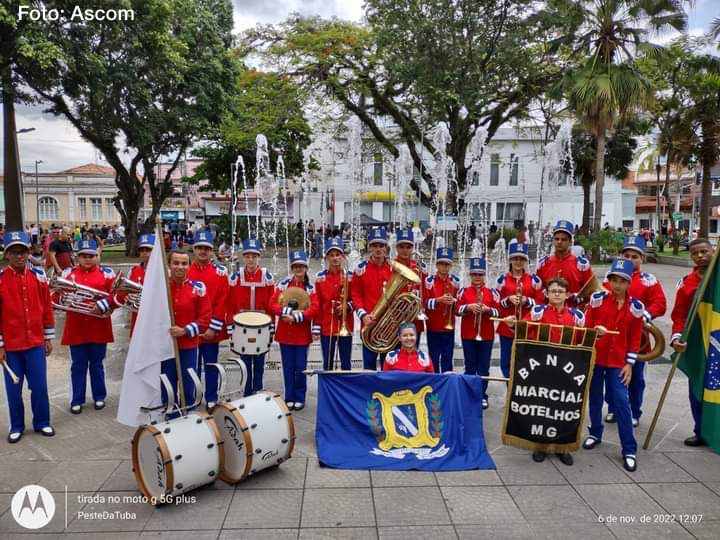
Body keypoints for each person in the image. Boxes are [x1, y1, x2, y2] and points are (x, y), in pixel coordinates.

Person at [505, 277, 585, 465]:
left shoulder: (577, 316)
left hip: (567, 371)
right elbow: (524, 331)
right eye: (553, 291)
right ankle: (540, 445)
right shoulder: (537, 312)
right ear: (547, 294)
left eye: (560, 291)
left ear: (567, 295)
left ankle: (562, 447)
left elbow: (583, 342)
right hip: (542, 368)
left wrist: (597, 334)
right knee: (542, 408)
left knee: (563, 409)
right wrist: (512, 324)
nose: (556, 294)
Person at [583, 258, 644, 472]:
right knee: (595, 398)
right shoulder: (597, 300)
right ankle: (595, 432)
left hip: (618, 362)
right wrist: (595, 333)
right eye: (614, 280)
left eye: (622, 281)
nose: (617, 285)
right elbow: (586, 329)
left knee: (621, 402)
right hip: (596, 359)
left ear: (629, 283)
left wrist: (629, 364)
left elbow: (635, 339)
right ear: (608, 281)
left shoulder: (636, 308)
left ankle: (629, 449)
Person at [604, 236, 666, 427]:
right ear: (620, 256)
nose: (630, 259)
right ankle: (614, 409)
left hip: (638, 340)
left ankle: (634, 411)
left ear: (642, 259)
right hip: (613, 339)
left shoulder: (649, 280)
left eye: (635, 256)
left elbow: (660, 303)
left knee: (636, 379)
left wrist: (645, 315)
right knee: (612, 376)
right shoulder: (610, 277)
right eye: (626, 255)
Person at [0, 231, 56, 443]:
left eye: (22, 251)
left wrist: (47, 337)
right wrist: (0, 345)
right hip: (11, 347)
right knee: (13, 389)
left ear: (28, 252)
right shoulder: (1, 280)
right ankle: (16, 425)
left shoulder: (38, 277)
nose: (19, 256)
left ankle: (42, 422)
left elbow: (46, 308)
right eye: (14, 252)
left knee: (39, 386)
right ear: (6, 254)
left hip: (35, 343)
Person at [56, 239, 118, 414]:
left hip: (98, 326)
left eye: (91, 256)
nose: (87, 259)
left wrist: (105, 304)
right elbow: (54, 296)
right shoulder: (68, 274)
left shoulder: (107, 274)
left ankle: (99, 396)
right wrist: (63, 299)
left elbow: (117, 295)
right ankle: (77, 399)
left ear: (97, 256)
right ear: (77, 257)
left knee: (97, 364)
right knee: (78, 365)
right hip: (76, 328)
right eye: (83, 256)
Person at [670, 238, 715, 446]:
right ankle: (701, 431)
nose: (700, 256)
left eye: (704, 251)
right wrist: (677, 338)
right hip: (698, 344)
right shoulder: (687, 282)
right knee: (697, 388)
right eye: (695, 253)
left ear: (712, 251)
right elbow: (679, 315)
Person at [269, 250, 319, 410]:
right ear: (292, 268)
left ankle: (300, 396)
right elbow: (272, 304)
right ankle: (289, 396)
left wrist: (297, 317)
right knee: (288, 366)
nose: (298, 269)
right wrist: (286, 312)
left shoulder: (311, 288)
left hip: (302, 334)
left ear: (306, 268)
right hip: (285, 333)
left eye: (301, 266)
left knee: (300, 367)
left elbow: (315, 308)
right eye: (296, 266)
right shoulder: (283, 285)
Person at [226, 239, 275, 395]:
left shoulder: (267, 277)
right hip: (242, 327)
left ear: (259, 257)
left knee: (260, 362)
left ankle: (258, 390)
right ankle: (246, 392)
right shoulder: (235, 277)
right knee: (245, 362)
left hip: (262, 326)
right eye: (248, 256)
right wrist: (230, 326)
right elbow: (230, 304)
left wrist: (271, 326)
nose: (251, 260)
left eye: (254, 256)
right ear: (243, 257)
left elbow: (272, 303)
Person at [165, 250, 211, 412]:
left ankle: (188, 414)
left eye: (184, 263)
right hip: (165, 346)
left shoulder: (198, 288)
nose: (180, 267)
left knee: (188, 383)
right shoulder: (161, 288)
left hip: (188, 346)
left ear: (189, 266)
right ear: (169, 265)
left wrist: (185, 330)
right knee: (167, 385)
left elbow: (205, 319)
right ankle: (170, 415)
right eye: (176, 263)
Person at [188, 231, 228, 408]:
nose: (202, 251)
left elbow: (222, 302)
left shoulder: (220, 273)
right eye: (199, 248)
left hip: (211, 329)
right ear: (194, 249)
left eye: (206, 248)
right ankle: (193, 396)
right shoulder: (185, 270)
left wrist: (213, 327)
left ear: (212, 251)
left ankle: (212, 396)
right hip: (190, 329)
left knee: (211, 364)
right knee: (191, 366)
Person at [495, 242, 544, 380]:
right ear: (510, 260)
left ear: (526, 261)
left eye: (521, 259)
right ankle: (510, 387)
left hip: (528, 328)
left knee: (526, 362)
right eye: (515, 258)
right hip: (507, 328)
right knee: (506, 362)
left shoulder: (534, 280)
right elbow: (496, 304)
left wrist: (527, 301)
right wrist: (508, 300)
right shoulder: (501, 280)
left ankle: (522, 388)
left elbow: (541, 304)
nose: (518, 262)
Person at [456, 257, 500, 408]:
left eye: (480, 274)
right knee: (469, 366)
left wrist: (487, 309)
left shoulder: (492, 292)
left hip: (486, 335)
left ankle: (482, 395)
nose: (477, 277)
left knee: (483, 367)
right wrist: (468, 307)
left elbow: (498, 312)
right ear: (470, 275)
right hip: (468, 334)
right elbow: (457, 310)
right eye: (474, 274)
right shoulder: (463, 291)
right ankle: (468, 394)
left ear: (484, 275)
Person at [352, 227, 394, 370]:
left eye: (381, 245)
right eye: (374, 246)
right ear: (370, 248)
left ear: (386, 248)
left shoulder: (394, 268)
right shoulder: (360, 269)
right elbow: (356, 295)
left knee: (388, 367)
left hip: (389, 325)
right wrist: (363, 315)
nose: (378, 249)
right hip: (369, 324)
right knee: (369, 367)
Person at [314, 238, 354, 370]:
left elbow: (357, 299)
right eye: (331, 255)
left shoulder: (350, 276)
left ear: (343, 257)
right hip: (327, 325)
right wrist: (316, 326)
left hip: (346, 324)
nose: (335, 258)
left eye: (338, 255)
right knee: (327, 363)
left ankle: (345, 384)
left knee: (346, 363)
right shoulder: (320, 278)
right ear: (327, 258)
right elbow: (317, 303)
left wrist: (347, 306)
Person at [536, 220, 594, 307]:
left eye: (564, 239)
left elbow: (591, 290)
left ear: (570, 242)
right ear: (553, 241)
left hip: (573, 311)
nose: (559, 242)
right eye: (557, 239)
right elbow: (537, 291)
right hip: (549, 312)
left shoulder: (581, 265)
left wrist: (576, 296)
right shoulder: (543, 264)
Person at [424, 247, 460, 373]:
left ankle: (447, 382)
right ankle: (435, 381)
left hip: (449, 327)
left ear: (451, 265)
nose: (444, 267)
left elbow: (459, 303)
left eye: (447, 264)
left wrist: (453, 301)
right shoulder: (429, 281)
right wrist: (439, 300)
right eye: (441, 264)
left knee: (447, 358)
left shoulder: (455, 281)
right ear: (436, 265)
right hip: (433, 326)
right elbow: (425, 303)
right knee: (433, 357)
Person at [115, 233, 154, 335]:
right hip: (137, 317)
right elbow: (125, 293)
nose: (145, 253)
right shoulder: (133, 270)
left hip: (155, 317)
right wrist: (127, 298)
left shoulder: (165, 272)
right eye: (142, 250)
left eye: (148, 250)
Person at [394, 228, 427, 341]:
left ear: (412, 248)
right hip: (395, 318)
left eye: (408, 247)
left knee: (413, 350)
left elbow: (425, 292)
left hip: (414, 318)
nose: (405, 250)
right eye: (401, 247)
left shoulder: (419, 267)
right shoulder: (390, 266)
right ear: (396, 248)